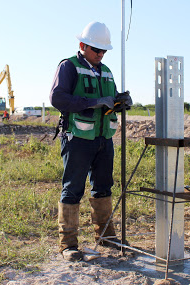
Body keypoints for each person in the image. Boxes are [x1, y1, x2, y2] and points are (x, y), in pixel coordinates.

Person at [50, 21, 132, 261]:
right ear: (82, 45)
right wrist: (92, 102)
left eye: (104, 51)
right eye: (97, 50)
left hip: (103, 139)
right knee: (73, 188)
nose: (101, 54)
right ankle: (68, 244)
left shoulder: (105, 70)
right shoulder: (69, 67)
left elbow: (109, 98)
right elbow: (57, 97)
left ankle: (105, 236)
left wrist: (120, 101)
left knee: (104, 187)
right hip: (78, 139)